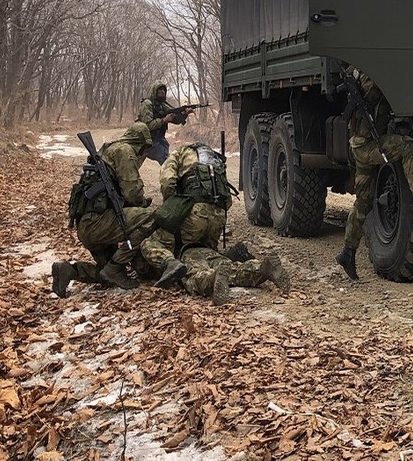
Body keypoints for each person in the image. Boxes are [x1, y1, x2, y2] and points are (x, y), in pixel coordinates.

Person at [139, 142, 290, 305]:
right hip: (218, 216)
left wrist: (174, 208)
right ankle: (262, 268)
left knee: (154, 246)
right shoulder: (214, 159)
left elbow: (167, 181)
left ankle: (209, 280)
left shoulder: (180, 153)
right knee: (212, 258)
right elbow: (227, 199)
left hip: (193, 214)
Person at [334, 66, 413, 280]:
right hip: (367, 146)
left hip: (359, 145)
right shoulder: (370, 79)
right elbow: (374, 92)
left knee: (363, 202)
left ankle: (348, 252)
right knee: (407, 146)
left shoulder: (357, 74)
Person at [52, 123, 158, 298]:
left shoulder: (107, 151)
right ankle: (116, 266)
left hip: (88, 226)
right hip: (100, 222)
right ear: (141, 142)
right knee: (153, 217)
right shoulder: (124, 151)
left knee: (106, 276)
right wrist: (143, 203)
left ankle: (69, 270)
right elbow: (133, 193)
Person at [136, 80, 194, 165]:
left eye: (164, 90)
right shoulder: (147, 104)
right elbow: (147, 125)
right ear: (154, 91)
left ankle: (168, 177)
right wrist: (163, 120)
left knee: (167, 163)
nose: (162, 92)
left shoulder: (163, 105)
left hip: (156, 140)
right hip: (143, 140)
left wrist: (185, 113)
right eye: (159, 90)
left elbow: (175, 119)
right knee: (132, 167)